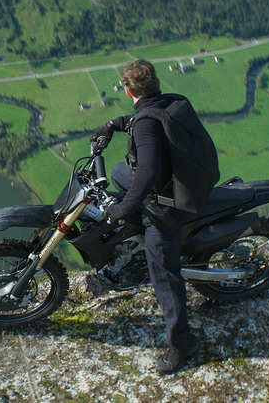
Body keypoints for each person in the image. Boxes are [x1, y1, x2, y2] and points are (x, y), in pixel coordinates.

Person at [91, 59, 210, 374]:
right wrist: (116, 124)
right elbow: (147, 117)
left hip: (167, 207)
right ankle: (136, 232)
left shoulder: (145, 121)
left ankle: (183, 342)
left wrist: (123, 209)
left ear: (128, 90)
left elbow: (148, 172)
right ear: (156, 83)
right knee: (119, 172)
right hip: (183, 180)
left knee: (165, 276)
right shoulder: (170, 101)